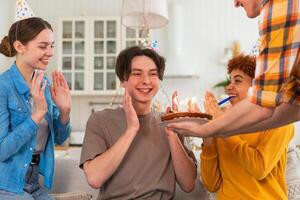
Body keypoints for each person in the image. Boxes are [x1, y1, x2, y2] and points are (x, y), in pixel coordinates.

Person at [168, 0, 300, 137]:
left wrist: (208, 129)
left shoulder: (279, 5)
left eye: (238, 81)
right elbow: (293, 107)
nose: (236, 3)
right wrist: (213, 128)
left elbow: (262, 107)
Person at [79, 46, 197, 199]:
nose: (146, 81)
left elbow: (188, 184)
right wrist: (131, 130)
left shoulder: (170, 122)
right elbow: (94, 178)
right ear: (123, 79)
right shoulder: (100, 120)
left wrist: (173, 137)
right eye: (137, 73)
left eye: (153, 74)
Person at [200, 54, 294, 199]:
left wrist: (222, 127)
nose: (229, 87)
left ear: (256, 87)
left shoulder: (279, 122)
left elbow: (259, 169)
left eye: (237, 81)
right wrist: (208, 137)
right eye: (229, 81)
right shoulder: (222, 120)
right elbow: (211, 184)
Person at [0, 17, 71, 199]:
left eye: (51, 46)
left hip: (34, 184)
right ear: (19, 46)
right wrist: (37, 114)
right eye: (42, 46)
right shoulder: (3, 87)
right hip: (7, 184)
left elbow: (60, 139)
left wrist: (65, 111)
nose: (50, 52)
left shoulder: (44, 84)